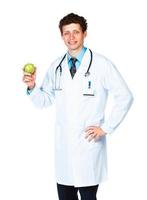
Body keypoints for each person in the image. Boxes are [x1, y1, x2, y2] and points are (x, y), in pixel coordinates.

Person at [23, 13, 133, 200]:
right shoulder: (56, 66)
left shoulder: (101, 64)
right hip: (64, 150)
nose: (71, 37)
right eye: (67, 33)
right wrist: (32, 86)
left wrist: (106, 128)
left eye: (76, 32)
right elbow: (45, 101)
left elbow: (125, 96)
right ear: (61, 36)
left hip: (88, 148)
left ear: (84, 34)